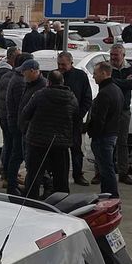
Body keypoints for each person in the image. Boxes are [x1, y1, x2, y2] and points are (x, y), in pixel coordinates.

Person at [20, 70, 77, 197]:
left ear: (48, 82)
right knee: (61, 176)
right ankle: (60, 202)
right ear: (62, 82)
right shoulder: (71, 98)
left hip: (37, 141)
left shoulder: (40, 95)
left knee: (34, 175)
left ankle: (31, 202)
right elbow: (76, 115)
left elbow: (25, 113)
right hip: (61, 143)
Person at [3, 58, 45, 195]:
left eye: (25, 71)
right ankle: (14, 185)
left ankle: (25, 186)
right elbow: (21, 106)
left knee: (26, 159)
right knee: (20, 156)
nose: (23, 74)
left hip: (27, 129)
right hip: (21, 127)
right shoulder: (24, 83)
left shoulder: (37, 86)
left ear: (33, 71)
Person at [85, 61, 126, 198]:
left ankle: (111, 196)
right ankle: (107, 194)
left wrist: (93, 133)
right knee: (107, 168)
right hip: (111, 133)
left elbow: (99, 119)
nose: (93, 76)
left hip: (103, 136)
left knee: (105, 169)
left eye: (95, 74)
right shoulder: (116, 90)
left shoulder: (105, 93)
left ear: (104, 73)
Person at [55, 51, 92, 184]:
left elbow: (87, 98)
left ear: (71, 63)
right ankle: (59, 175)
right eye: (59, 64)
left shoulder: (80, 76)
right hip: (58, 121)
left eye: (63, 64)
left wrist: (79, 115)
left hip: (75, 121)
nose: (60, 67)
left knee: (76, 149)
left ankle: (78, 174)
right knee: (59, 151)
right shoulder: (55, 75)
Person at [106, 45, 132, 185]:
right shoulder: (105, 67)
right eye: (112, 54)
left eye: (116, 55)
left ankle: (123, 173)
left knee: (122, 143)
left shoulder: (130, 68)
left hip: (123, 110)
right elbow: (104, 82)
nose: (113, 57)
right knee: (106, 142)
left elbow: (130, 84)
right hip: (108, 110)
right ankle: (101, 172)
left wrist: (112, 81)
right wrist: (121, 83)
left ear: (123, 55)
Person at [0, 48, 24, 188]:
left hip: (3, 114)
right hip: (7, 116)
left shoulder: (3, 73)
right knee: (11, 146)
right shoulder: (8, 74)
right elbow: (9, 100)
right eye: (17, 58)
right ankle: (7, 173)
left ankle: (7, 171)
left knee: (8, 144)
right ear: (11, 58)